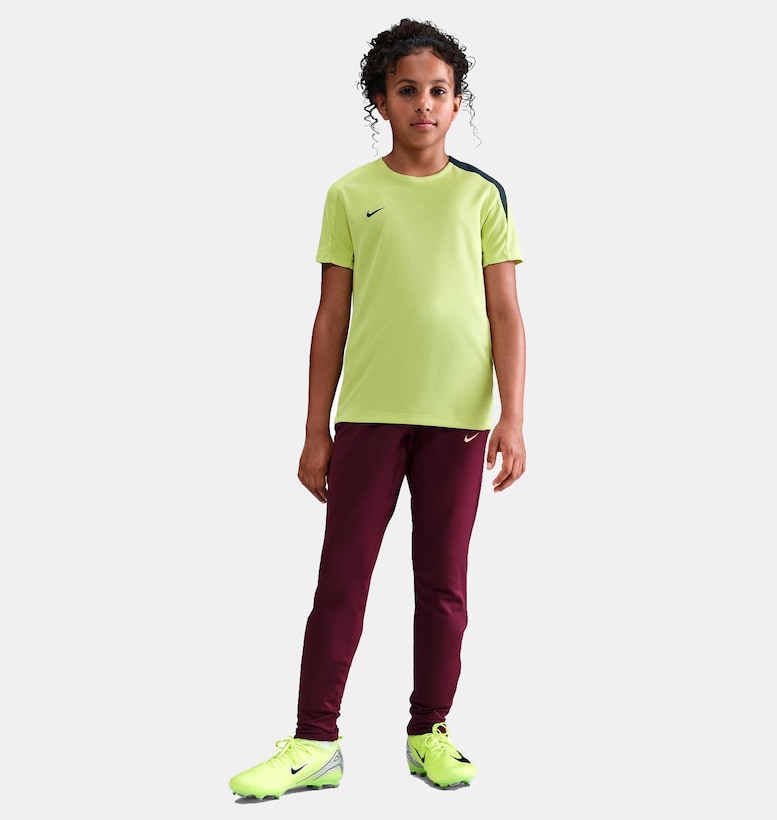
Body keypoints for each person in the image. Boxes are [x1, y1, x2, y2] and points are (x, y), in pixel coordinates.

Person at [229, 17, 526, 799]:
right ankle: (315, 740)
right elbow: (330, 316)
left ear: (457, 102)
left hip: (458, 419)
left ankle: (430, 731)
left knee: (444, 584)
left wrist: (514, 417)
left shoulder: (481, 196)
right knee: (342, 578)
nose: (423, 104)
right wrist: (313, 430)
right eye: (406, 90)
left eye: (438, 91)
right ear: (380, 100)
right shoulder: (351, 194)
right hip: (368, 416)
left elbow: (506, 314)